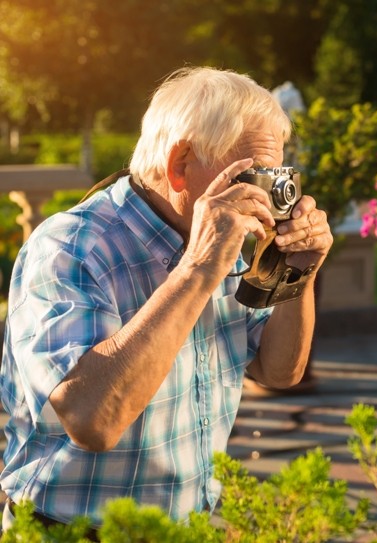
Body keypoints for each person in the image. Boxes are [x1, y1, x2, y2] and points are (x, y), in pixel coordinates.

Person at [0, 66, 333, 533]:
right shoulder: (72, 247)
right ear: (181, 165)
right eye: (255, 173)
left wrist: (299, 268)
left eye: (277, 173)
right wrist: (198, 268)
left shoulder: (226, 238)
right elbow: (92, 419)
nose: (270, 191)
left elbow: (280, 371)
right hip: (69, 531)